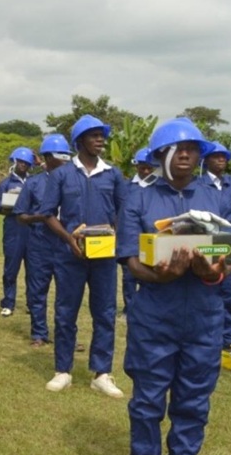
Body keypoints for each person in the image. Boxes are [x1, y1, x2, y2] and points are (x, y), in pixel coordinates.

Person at [117, 118, 231, 455]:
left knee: (194, 399)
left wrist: (212, 271)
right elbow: (131, 260)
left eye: (193, 148)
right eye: (177, 148)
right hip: (155, 311)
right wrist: (158, 274)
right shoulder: (139, 198)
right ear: (160, 154)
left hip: (204, 313)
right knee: (148, 398)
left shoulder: (218, 198)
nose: (186, 154)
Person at [40, 115, 127, 398]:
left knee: (104, 313)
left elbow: (123, 211)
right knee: (66, 312)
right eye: (94, 135)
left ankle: (101, 373)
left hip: (104, 257)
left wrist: (115, 233)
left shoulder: (113, 174)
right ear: (79, 141)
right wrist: (68, 238)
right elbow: (47, 213)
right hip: (70, 255)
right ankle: (63, 370)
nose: (100, 139)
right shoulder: (62, 175)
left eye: (102, 135)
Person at [13, 134, 71, 347]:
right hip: (40, 244)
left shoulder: (75, 180)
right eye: (60, 156)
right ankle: (39, 333)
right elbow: (20, 216)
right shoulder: (33, 184)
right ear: (47, 157)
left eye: (67, 156)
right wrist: (44, 217)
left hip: (67, 244)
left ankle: (66, 336)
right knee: (38, 290)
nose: (65, 160)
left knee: (67, 293)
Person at [197, 142, 231, 351]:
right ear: (206, 160)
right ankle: (205, 336)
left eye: (225, 157)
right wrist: (230, 207)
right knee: (206, 292)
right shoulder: (199, 183)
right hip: (208, 242)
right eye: (217, 156)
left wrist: (219, 209)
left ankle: (228, 338)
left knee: (229, 294)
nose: (222, 160)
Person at [121, 147, 160, 315]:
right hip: (131, 238)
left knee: (152, 274)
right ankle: (130, 308)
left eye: (149, 168)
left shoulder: (159, 188)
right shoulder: (126, 187)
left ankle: (151, 308)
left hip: (154, 238)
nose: (145, 171)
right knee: (129, 276)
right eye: (142, 167)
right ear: (136, 166)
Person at [0, 147, 32, 317]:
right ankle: (8, 302)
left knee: (34, 270)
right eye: (20, 161)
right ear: (14, 162)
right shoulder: (5, 184)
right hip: (13, 229)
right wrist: (11, 205)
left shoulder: (35, 182)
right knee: (11, 268)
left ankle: (33, 303)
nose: (23, 165)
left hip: (32, 230)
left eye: (26, 162)